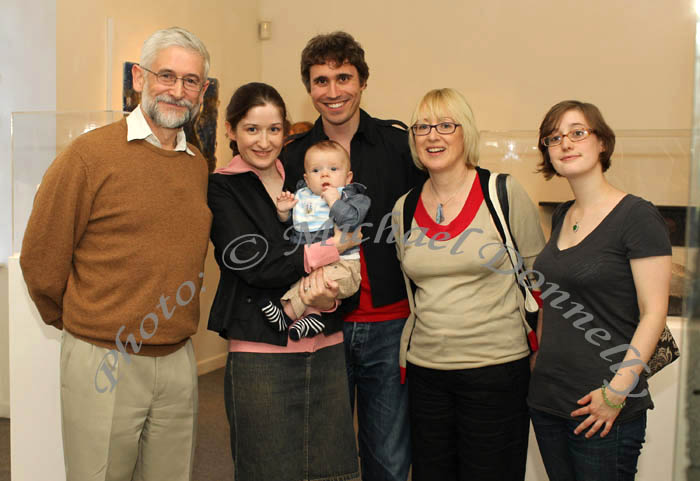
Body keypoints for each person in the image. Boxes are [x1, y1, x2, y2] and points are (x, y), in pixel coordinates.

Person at [20, 27, 212, 481]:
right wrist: (86, 325)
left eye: (190, 81)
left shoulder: (196, 165)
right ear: (139, 79)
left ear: (202, 92)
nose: (177, 90)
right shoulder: (88, 155)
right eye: (167, 75)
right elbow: (41, 259)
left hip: (178, 359)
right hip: (102, 356)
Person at [281, 31, 425, 481]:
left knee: (389, 456)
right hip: (323, 324)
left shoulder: (399, 146)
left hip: (390, 321)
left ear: (362, 81)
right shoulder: (293, 157)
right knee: (322, 452)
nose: (333, 91)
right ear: (309, 89)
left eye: (343, 77)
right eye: (321, 80)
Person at [207, 82, 360, 481]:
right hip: (261, 349)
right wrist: (328, 251)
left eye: (274, 129)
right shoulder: (222, 186)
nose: (263, 141)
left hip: (325, 340)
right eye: (252, 130)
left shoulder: (302, 174)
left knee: (332, 468)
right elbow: (251, 262)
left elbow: (349, 223)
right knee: (268, 467)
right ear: (231, 131)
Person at [392, 88, 545, 481]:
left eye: (445, 125)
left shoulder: (504, 194)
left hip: (496, 371)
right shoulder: (404, 208)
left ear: (466, 133)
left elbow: (540, 283)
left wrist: (541, 358)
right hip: (426, 372)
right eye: (422, 126)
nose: (432, 135)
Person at [528, 100, 672, 481]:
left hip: (605, 406)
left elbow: (654, 311)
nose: (565, 144)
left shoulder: (637, 216)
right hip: (549, 401)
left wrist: (616, 393)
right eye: (553, 137)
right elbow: (552, 301)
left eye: (578, 132)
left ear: (602, 143)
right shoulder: (562, 215)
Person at [259, 139, 369, 340]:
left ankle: (286, 314)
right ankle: (312, 317)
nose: (325, 174)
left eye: (334, 169)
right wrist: (283, 212)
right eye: (316, 171)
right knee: (301, 284)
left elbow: (350, 221)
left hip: (343, 268)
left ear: (348, 177)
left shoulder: (353, 198)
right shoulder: (303, 197)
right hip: (310, 267)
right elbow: (293, 225)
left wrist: (334, 200)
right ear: (307, 179)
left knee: (316, 284)